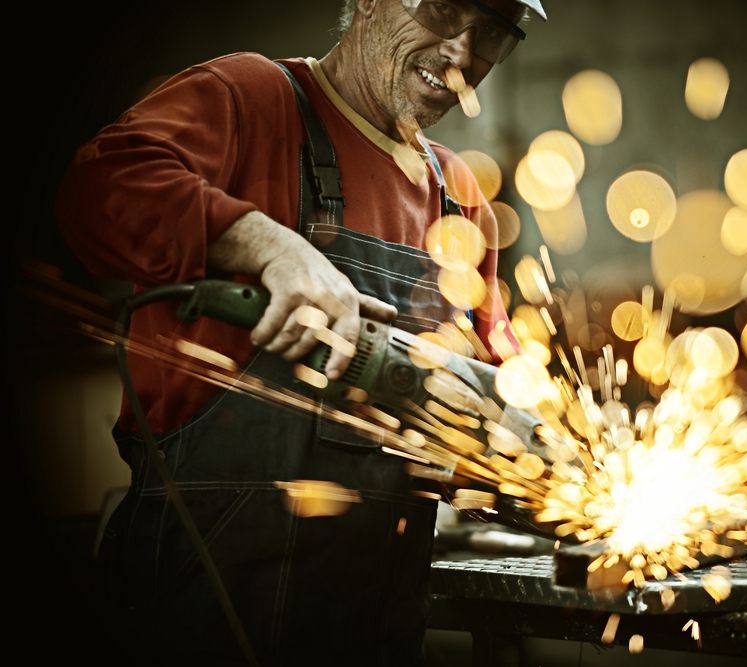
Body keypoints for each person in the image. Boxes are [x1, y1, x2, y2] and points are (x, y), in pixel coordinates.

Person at [55, 0, 546, 663]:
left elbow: (501, 384)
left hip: (375, 612)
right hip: (204, 597)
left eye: (490, 31)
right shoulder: (253, 99)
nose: (461, 51)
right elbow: (93, 189)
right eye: (441, 9)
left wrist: (529, 450)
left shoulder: (457, 195)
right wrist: (265, 245)